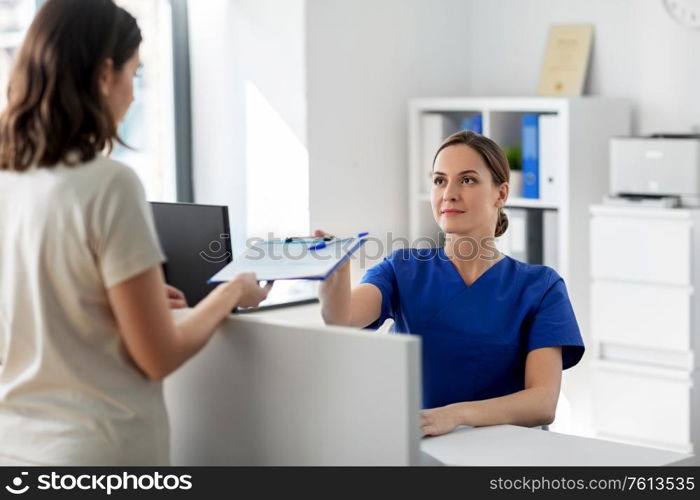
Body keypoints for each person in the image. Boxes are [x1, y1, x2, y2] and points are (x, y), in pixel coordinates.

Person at [0, 0, 271, 465]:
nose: (132, 94)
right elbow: (158, 357)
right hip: (98, 453)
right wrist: (231, 292)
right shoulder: (108, 183)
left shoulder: (10, 181)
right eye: (134, 74)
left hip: (17, 449)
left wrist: (120, 305)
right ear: (105, 74)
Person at [318, 130, 584, 437]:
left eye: (467, 180)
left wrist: (455, 415)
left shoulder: (541, 287)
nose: (449, 193)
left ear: (501, 194)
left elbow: (542, 402)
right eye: (439, 180)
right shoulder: (401, 268)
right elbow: (341, 318)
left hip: (506, 453)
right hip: (420, 446)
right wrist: (332, 276)